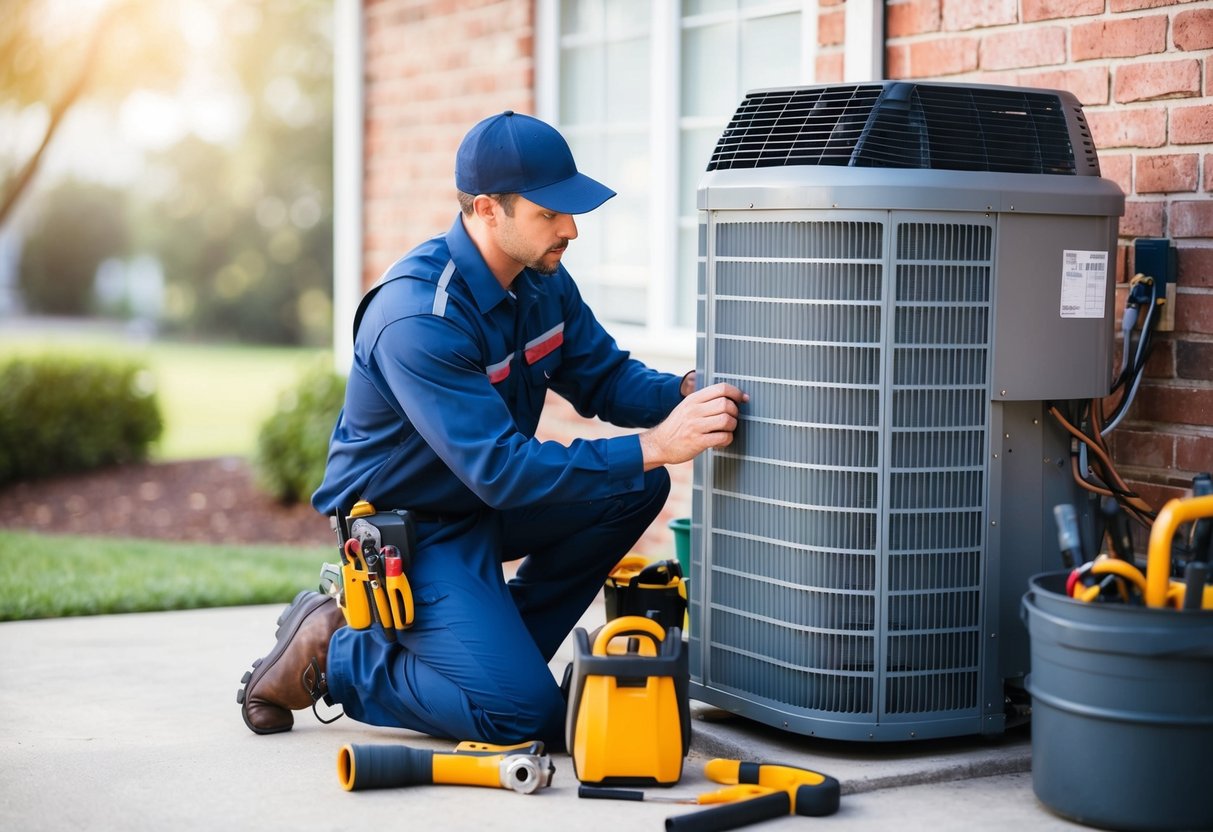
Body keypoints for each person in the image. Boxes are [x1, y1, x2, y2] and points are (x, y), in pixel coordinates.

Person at [237, 111, 747, 748]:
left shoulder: (541, 281)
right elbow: (503, 470)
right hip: (413, 534)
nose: (571, 229)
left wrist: (682, 392)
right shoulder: (417, 317)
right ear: (486, 209)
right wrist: (656, 444)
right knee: (523, 719)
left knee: (634, 487)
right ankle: (339, 654)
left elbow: (605, 379)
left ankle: (494, 662)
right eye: (550, 213)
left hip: (485, 505)